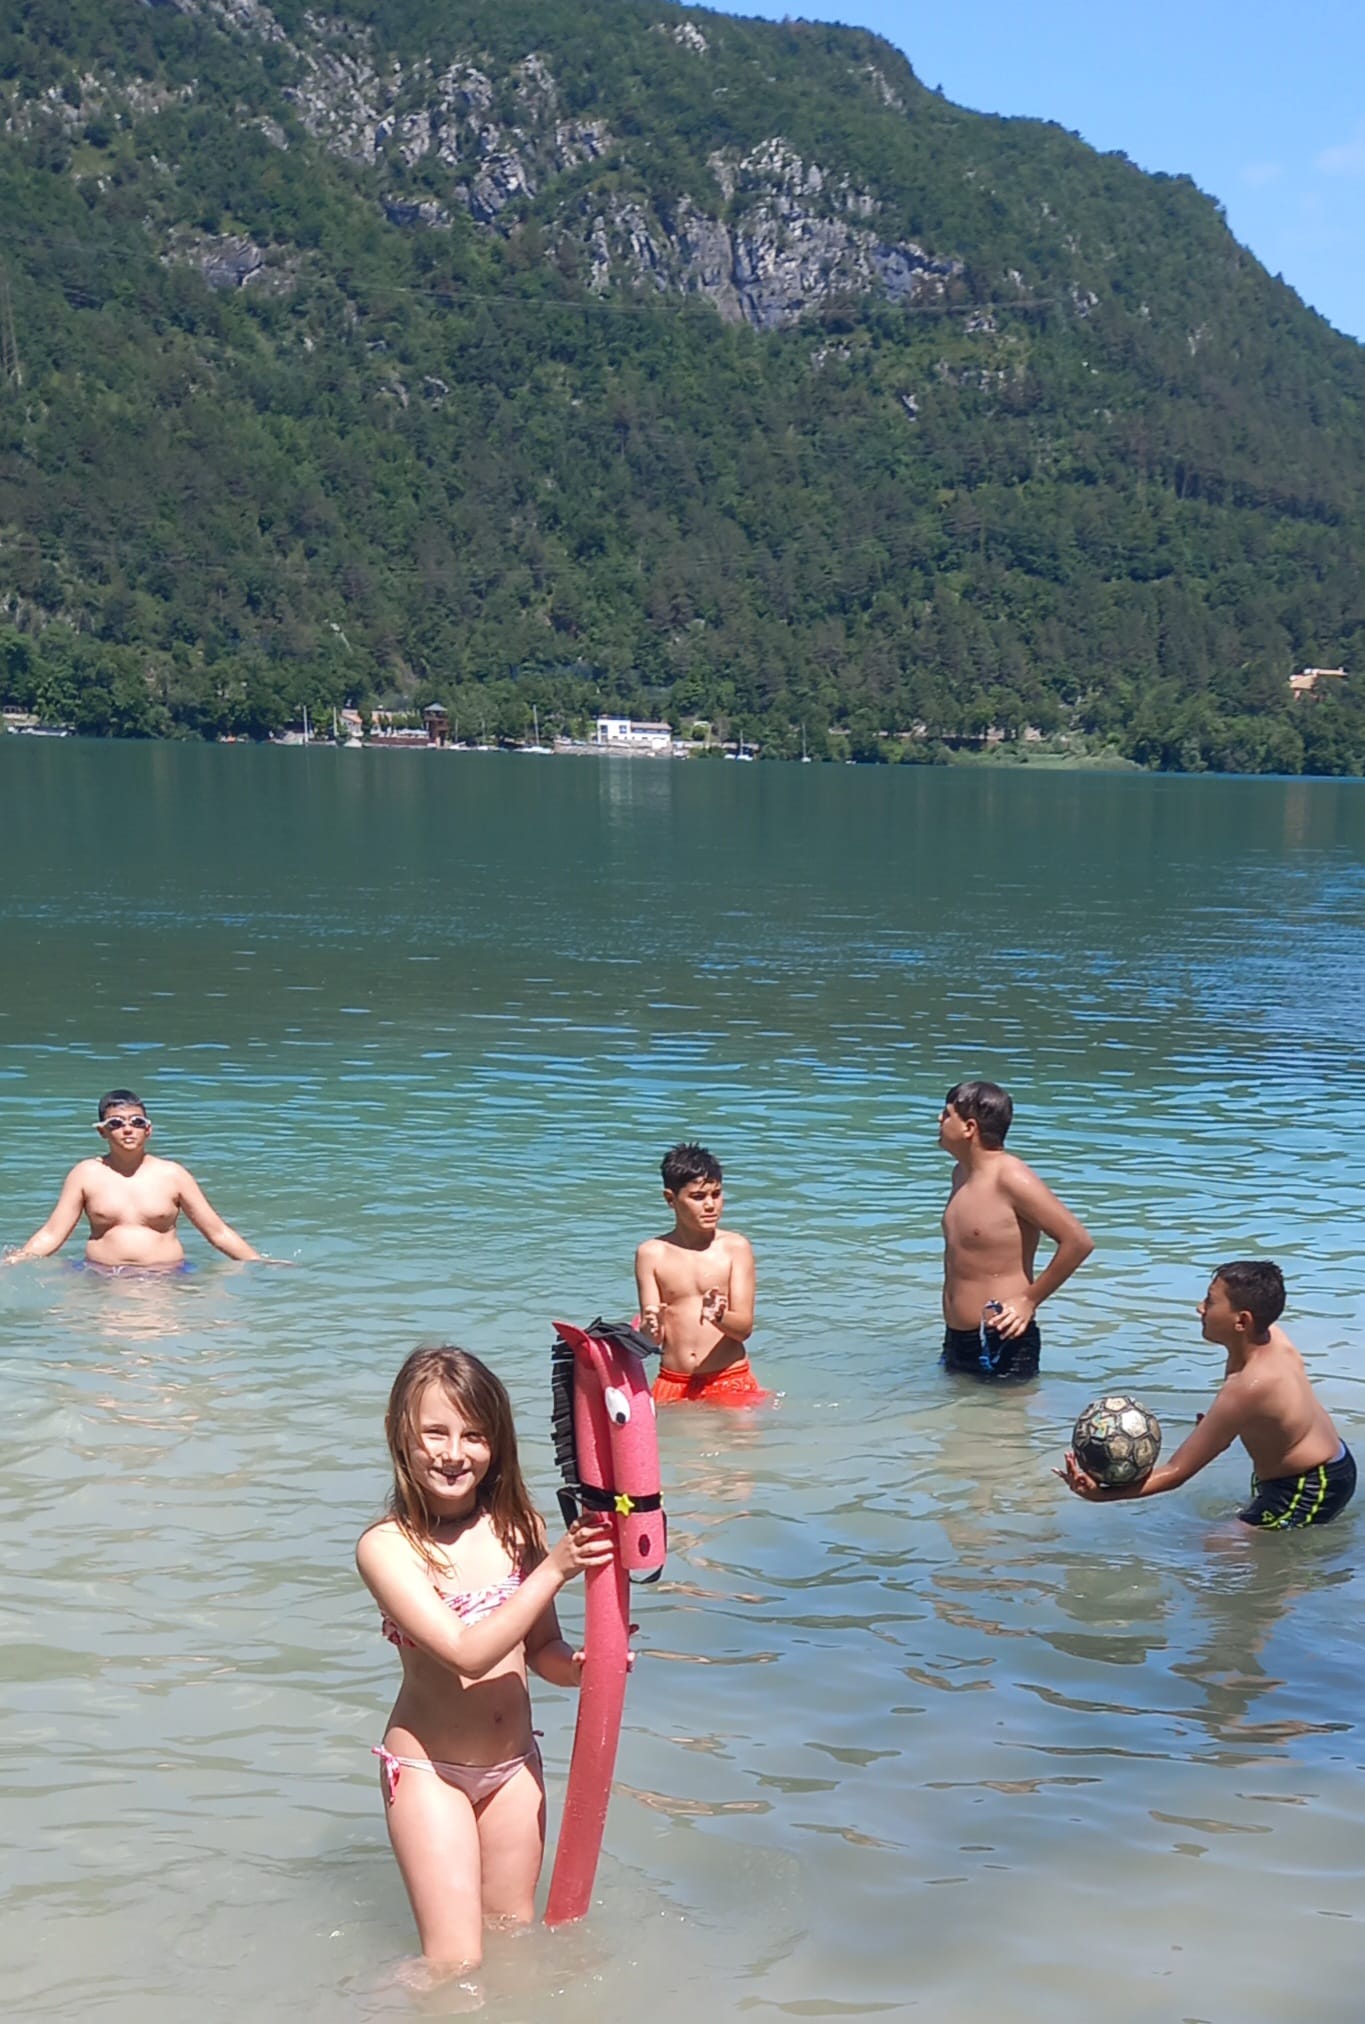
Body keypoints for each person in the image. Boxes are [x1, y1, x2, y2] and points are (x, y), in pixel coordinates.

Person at [356, 1347, 616, 1977]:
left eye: (474, 1435)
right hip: (431, 1772)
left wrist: (585, 1667)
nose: (454, 1453)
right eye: (435, 1432)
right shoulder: (388, 1548)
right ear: (400, 1435)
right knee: (453, 1963)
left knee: (510, 1947)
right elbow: (465, 1654)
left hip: (513, 1768)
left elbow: (541, 1649)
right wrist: (555, 1569)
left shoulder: (519, 1528)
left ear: (497, 1443)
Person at [1060, 1262, 1356, 1529]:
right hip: (1328, 1461)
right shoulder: (1272, 1338)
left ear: (1242, 1321)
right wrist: (1222, 1428)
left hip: (1311, 1485)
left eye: (1210, 1301)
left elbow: (1176, 1473)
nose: (1199, 1308)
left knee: (1220, 1548)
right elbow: (1271, 1414)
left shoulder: (1248, 1387)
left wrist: (1102, 1496)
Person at [3, 1089, 263, 1269]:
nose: (127, 1129)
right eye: (115, 1123)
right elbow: (52, 1233)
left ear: (148, 1130)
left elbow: (217, 1232)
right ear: (102, 1132)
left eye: (136, 1122)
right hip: (102, 1276)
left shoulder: (173, 1174)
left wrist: (260, 1264)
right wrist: (17, 1260)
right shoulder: (85, 1174)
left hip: (165, 1277)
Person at [938, 1080, 1093, 1379]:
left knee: (1009, 1410)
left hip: (1003, 1336)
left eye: (946, 1114)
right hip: (958, 1338)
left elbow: (1078, 1241)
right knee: (954, 1410)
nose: (938, 1120)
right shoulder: (960, 1174)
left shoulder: (1011, 1177)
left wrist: (1028, 1300)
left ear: (969, 1127)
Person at [635, 1142, 765, 1405]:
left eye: (716, 1194)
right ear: (670, 1199)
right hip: (673, 1381)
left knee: (743, 1433)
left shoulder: (735, 1248)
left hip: (729, 1377)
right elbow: (653, 1339)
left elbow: (744, 1329)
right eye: (697, 1197)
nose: (710, 1205)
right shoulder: (651, 1254)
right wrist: (649, 1329)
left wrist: (719, 1316)